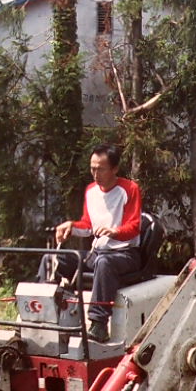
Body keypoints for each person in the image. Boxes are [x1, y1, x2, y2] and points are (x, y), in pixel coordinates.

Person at [53, 145, 146, 342]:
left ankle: (99, 324)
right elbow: (87, 225)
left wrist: (115, 231)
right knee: (55, 259)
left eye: (101, 169)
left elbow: (135, 226)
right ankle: (46, 314)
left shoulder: (129, 189)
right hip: (98, 253)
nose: (95, 174)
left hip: (125, 253)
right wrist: (70, 226)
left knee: (104, 263)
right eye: (92, 168)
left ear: (114, 169)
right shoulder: (90, 191)